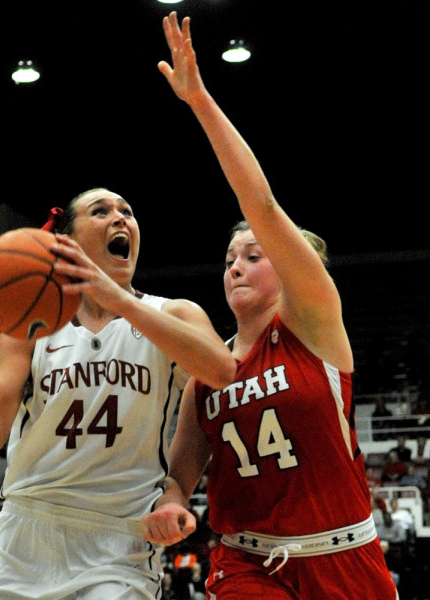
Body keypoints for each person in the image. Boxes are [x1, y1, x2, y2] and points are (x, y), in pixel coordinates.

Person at [142, 11, 398, 599]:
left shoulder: (312, 321)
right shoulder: (208, 367)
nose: (235, 264)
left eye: (254, 254)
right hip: (245, 562)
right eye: (230, 257)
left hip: (345, 555)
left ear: (288, 268)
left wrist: (200, 101)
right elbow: (181, 474)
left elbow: (258, 198)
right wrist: (172, 502)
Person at [0, 135, 235, 597]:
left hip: (117, 538)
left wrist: (119, 301)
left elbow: (222, 370)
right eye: (101, 211)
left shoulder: (175, 314)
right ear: (66, 241)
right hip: (23, 529)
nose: (120, 217)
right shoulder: (31, 328)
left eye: (126, 211)